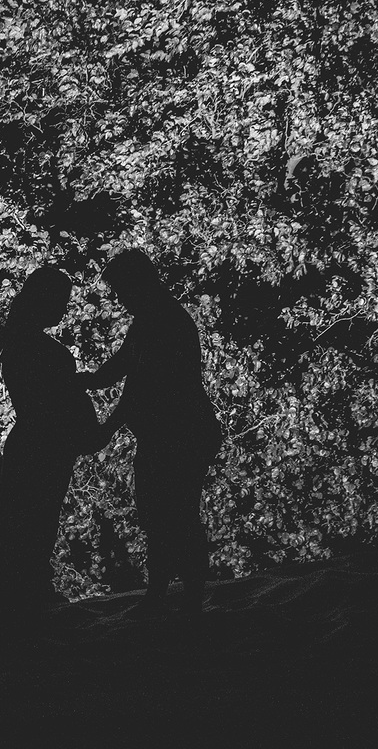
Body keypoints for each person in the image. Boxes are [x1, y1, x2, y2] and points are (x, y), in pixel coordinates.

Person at [0, 267, 104, 632]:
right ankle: (18, 600)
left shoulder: (18, 346)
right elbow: (64, 405)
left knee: (11, 520)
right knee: (33, 521)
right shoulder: (47, 352)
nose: (64, 308)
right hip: (46, 448)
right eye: (60, 301)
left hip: (29, 443)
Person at [81, 250, 222, 615]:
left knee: (173, 515)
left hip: (180, 433)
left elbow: (138, 387)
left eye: (123, 290)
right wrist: (83, 380)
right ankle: (166, 594)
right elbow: (121, 367)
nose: (121, 299)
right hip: (172, 432)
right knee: (163, 515)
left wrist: (106, 429)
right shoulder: (151, 318)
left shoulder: (164, 322)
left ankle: (183, 596)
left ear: (138, 283)